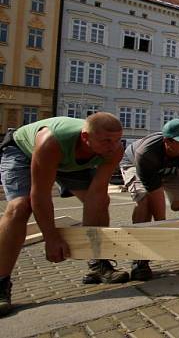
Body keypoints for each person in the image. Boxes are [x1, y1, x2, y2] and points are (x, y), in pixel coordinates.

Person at [0, 114, 128, 316]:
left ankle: (98, 264)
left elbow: (97, 193)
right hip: (24, 152)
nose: (113, 147)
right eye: (106, 141)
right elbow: (40, 195)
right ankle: (1, 282)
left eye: (117, 140)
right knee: (20, 207)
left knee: (101, 201)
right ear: (86, 137)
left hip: (74, 162)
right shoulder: (51, 141)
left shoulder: (114, 150)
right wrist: (51, 238)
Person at [120, 119, 179, 281]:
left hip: (173, 169)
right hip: (135, 164)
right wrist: (163, 232)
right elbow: (155, 194)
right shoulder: (146, 152)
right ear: (167, 141)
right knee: (144, 201)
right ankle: (140, 259)